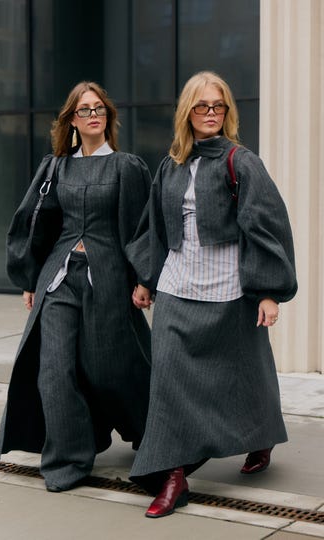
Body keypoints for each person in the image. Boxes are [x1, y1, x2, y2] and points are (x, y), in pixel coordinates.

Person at [128, 71, 298, 518]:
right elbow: (157, 228)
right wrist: (146, 279)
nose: (209, 114)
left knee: (248, 373)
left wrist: (269, 292)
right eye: (201, 106)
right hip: (177, 288)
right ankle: (173, 477)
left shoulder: (242, 161)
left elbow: (267, 227)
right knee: (166, 382)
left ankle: (258, 437)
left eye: (217, 106)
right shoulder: (170, 165)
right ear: (187, 111)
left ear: (227, 112)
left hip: (230, 290)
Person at [0, 81, 152, 493]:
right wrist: (30, 278)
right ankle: (67, 461)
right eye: (85, 109)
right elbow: (36, 222)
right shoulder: (56, 167)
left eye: (99, 108)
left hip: (109, 278)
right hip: (59, 277)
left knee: (109, 368)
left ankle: (153, 433)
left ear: (108, 117)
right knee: (53, 370)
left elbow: (140, 229)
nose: (93, 114)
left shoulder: (126, 167)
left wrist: (143, 279)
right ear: (72, 120)